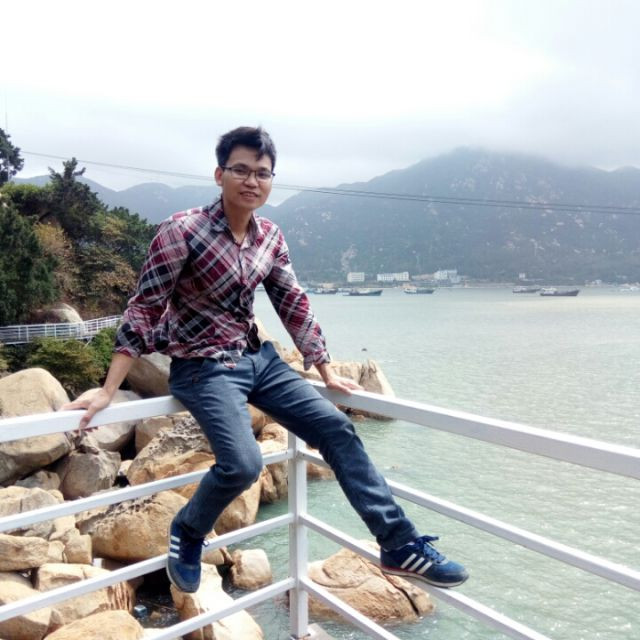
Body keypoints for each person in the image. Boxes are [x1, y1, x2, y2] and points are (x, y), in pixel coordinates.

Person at [64, 126, 469, 593]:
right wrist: (109, 389)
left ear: (271, 180)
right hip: (202, 365)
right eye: (241, 170)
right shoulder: (182, 231)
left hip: (260, 359)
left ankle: (398, 544)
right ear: (219, 174)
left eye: (262, 173)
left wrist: (324, 367)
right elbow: (145, 307)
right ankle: (189, 529)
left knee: (337, 428)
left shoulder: (269, 236)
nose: (251, 181)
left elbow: (292, 302)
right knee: (243, 464)